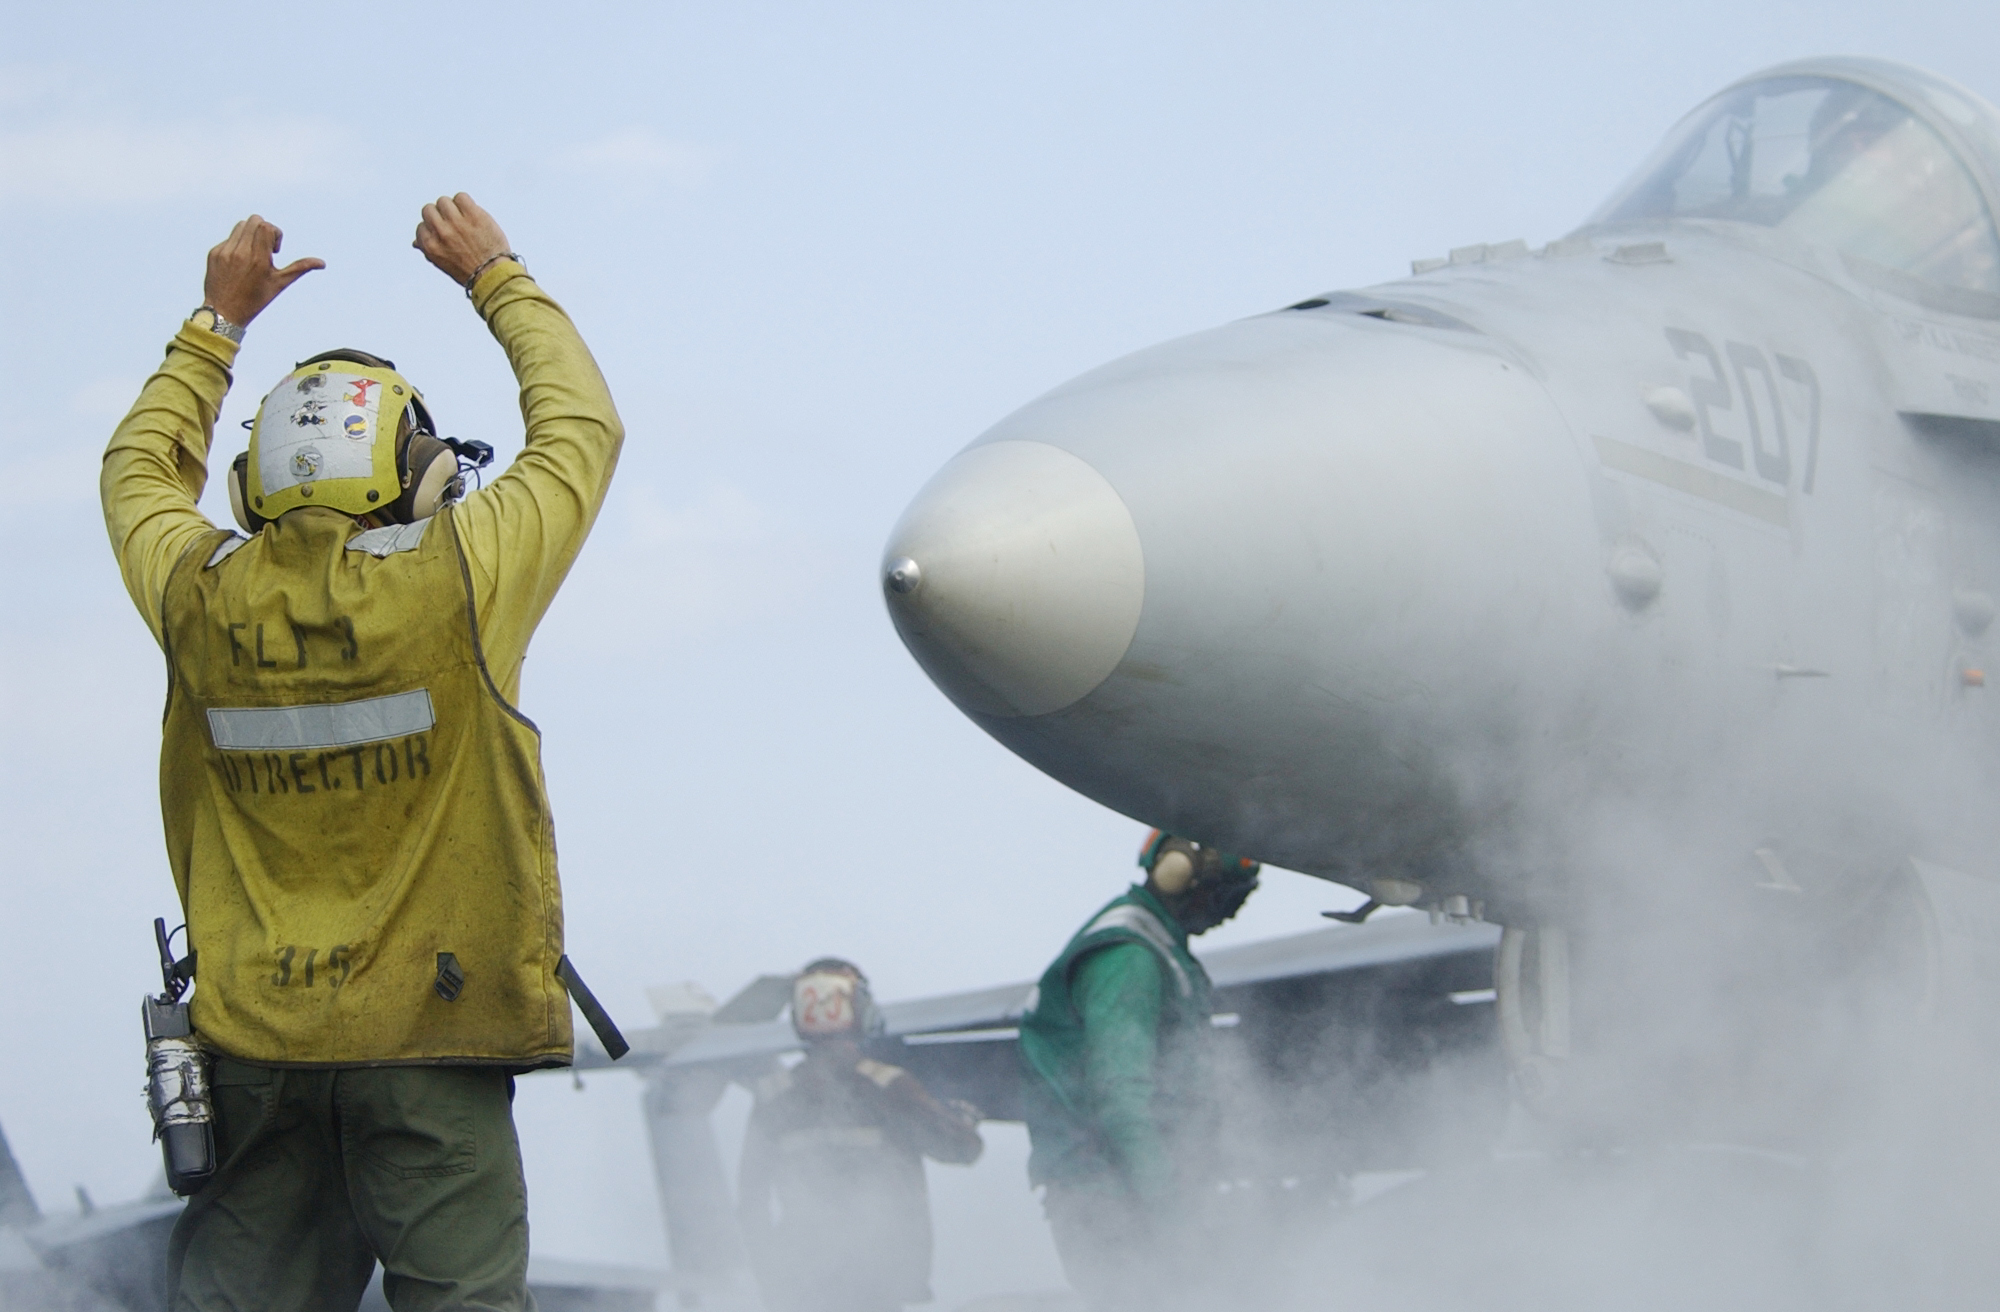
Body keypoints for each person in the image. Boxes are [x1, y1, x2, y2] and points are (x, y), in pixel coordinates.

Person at [100, 196, 624, 1310]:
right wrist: (497, 276)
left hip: (250, 1051)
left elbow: (137, 474)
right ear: (420, 469)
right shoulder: (465, 574)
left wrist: (214, 326)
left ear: (252, 484)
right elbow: (580, 428)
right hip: (431, 1043)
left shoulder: (195, 596)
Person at [1017, 832, 1261, 1311]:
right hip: (1115, 1200)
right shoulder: (1131, 957)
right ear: (1188, 878)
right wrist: (1174, 1219)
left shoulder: (1153, 943)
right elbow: (1121, 1100)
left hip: (1126, 1193)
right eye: (1230, 894)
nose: (1230, 912)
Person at [737, 959, 984, 1312]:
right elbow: (963, 1149)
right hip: (878, 1281)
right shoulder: (888, 1086)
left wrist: (771, 1280)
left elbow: (750, 1202)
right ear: (859, 1010)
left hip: (799, 1283)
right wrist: (963, 1120)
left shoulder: (772, 1096)